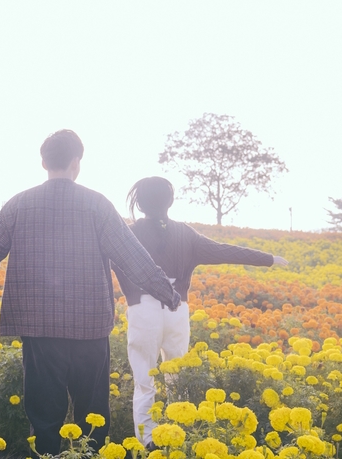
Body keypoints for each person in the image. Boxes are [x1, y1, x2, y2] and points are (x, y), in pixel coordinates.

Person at [0, 131, 181, 456]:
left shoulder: (19, 204)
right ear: (77, 163)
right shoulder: (97, 205)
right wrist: (167, 293)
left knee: (44, 416)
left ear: (44, 162)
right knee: (92, 416)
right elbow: (132, 257)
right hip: (89, 329)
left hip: (39, 330)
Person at [111, 176, 289, 448]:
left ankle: (149, 443)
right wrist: (267, 259)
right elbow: (224, 251)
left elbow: (110, 261)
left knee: (145, 380)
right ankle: (178, 437)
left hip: (143, 310)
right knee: (177, 379)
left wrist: (132, 294)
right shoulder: (185, 233)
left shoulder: (129, 234)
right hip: (176, 310)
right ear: (170, 201)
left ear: (140, 202)